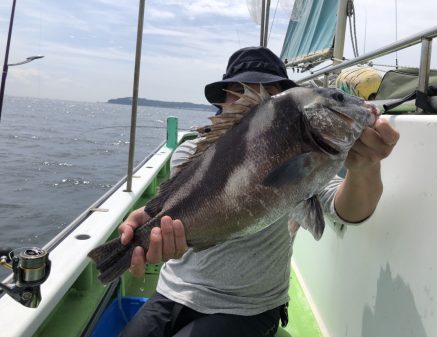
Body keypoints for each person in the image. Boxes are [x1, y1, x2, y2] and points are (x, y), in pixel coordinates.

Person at [118, 47, 400, 337]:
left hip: (248, 308)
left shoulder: (306, 152)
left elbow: (347, 211)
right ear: (223, 101)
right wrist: (147, 218)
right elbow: (177, 206)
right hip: (172, 291)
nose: (252, 102)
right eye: (239, 92)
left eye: (267, 92)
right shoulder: (191, 151)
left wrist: (366, 168)